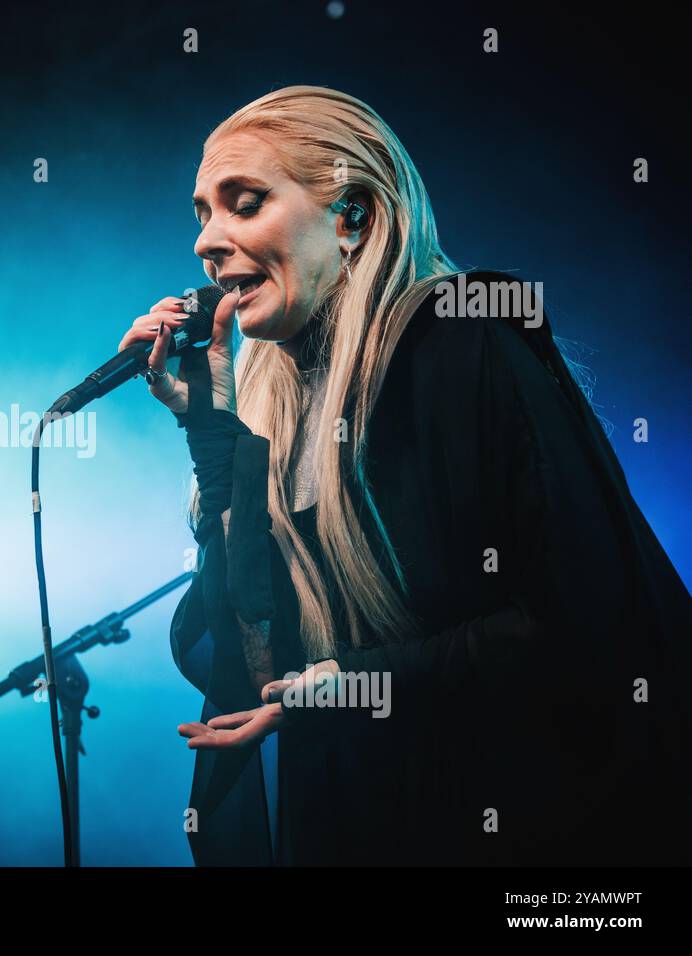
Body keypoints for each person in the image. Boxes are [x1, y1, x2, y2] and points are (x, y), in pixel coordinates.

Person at [117, 85, 691, 866]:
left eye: (243, 203)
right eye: (201, 215)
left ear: (352, 215)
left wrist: (355, 681)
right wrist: (208, 428)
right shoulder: (267, 406)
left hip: (521, 818)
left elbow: (583, 623)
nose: (206, 243)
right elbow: (248, 663)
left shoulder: (460, 339)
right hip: (362, 814)